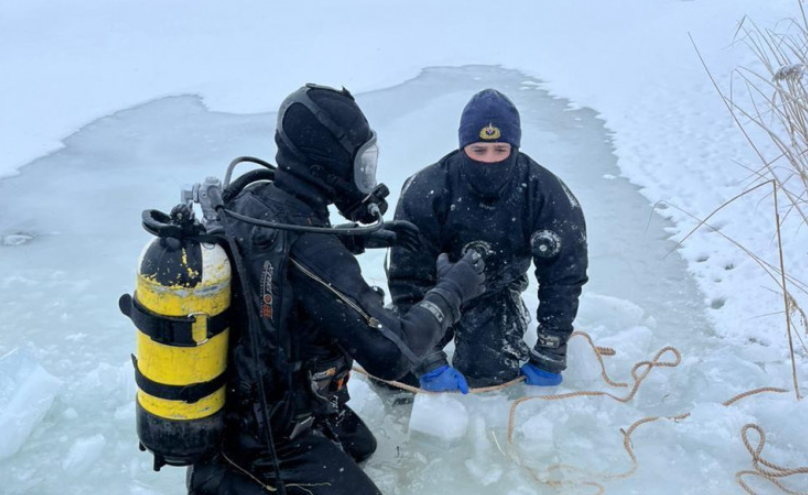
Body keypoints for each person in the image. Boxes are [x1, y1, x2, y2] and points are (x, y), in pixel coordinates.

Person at [186, 84, 486, 494]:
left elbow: (287, 256)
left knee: (361, 446)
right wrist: (453, 290)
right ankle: (239, 479)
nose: (365, 178)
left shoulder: (261, 198)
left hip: (257, 403)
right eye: (361, 164)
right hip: (266, 440)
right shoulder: (309, 247)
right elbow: (389, 353)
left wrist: (358, 236)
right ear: (326, 162)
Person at [388, 88, 588, 392]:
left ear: (515, 148)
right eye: (478, 151)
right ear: (462, 146)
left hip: (496, 289)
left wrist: (552, 348)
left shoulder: (545, 193)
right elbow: (406, 276)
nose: (490, 160)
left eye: (500, 151)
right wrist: (427, 360)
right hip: (433, 290)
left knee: (488, 371)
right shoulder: (426, 190)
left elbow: (563, 276)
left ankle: (507, 322)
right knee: (395, 363)